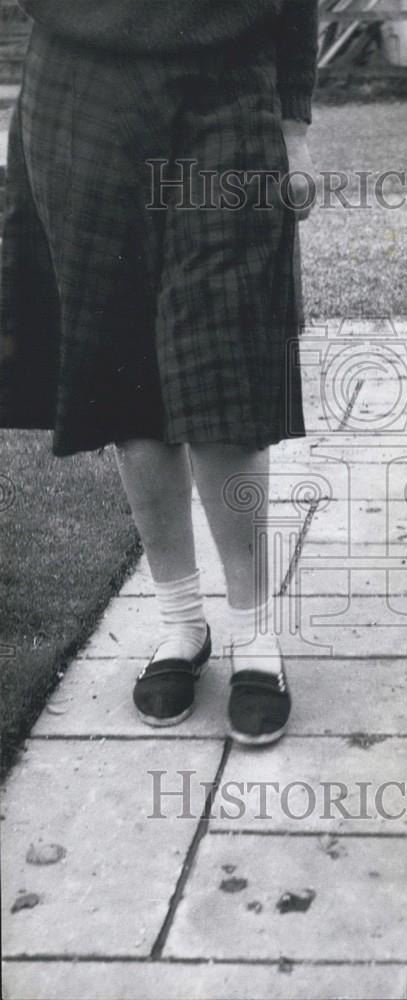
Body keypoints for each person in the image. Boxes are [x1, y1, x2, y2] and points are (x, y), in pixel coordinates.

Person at [0, 1, 318, 745]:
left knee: (224, 358)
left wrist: (294, 127)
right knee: (123, 365)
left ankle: (254, 637)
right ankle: (181, 624)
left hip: (228, 88)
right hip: (83, 84)